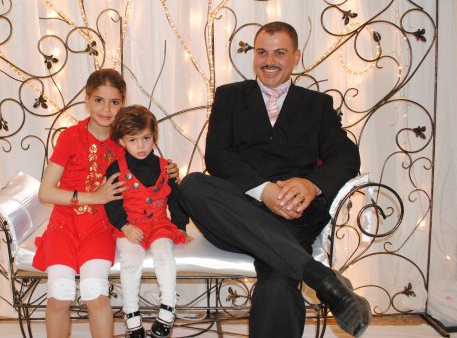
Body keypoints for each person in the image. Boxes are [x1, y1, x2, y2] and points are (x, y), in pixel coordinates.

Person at [177, 21, 372, 338]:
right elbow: (217, 156)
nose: (269, 61)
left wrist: (311, 185)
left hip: (293, 218)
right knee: (192, 185)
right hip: (236, 216)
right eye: (262, 52)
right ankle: (322, 279)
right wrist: (263, 191)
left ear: (296, 57)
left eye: (279, 53)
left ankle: (309, 272)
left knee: (279, 282)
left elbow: (345, 156)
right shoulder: (229, 97)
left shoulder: (317, 105)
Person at [32, 69, 179, 338]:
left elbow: (150, 168)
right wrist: (94, 197)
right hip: (64, 225)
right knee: (60, 294)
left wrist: (170, 171)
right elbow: (45, 192)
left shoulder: (125, 140)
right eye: (99, 100)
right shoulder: (70, 137)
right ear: (87, 100)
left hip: (101, 227)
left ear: (122, 103)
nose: (106, 109)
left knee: (94, 293)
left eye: (114, 102)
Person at [105, 105, 193, 338]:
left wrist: (180, 227)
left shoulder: (166, 167)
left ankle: (168, 309)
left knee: (164, 253)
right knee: (130, 259)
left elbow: (175, 198)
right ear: (122, 141)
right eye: (133, 140)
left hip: (159, 224)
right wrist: (125, 226)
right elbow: (111, 203)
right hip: (129, 225)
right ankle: (131, 315)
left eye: (146, 138)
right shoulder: (115, 169)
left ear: (154, 136)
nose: (141, 145)